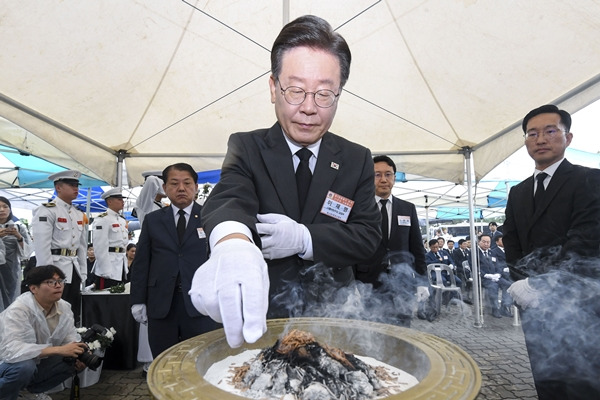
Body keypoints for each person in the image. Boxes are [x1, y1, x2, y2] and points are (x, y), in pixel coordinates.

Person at [189, 15, 381, 348]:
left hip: (334, 316)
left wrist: (304, 238)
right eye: (295, 91)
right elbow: (230, 197)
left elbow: (367, 237)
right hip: (266, 317)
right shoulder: (248, 147)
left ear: (339, 94)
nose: (308, 108)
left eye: (324, 94)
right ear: (273, 88)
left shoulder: (356, 158)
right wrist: (231, 242)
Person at [504, 104, 600, 399]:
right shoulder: (518, 191)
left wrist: (540, 285)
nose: (540, 139)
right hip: (535, 310)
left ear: (567, 137)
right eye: (532, 133)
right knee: (546, 382)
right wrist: (522, 284)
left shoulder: (589, 179)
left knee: (583, 385)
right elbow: (513, 242)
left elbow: (585, 242)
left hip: (579, 307)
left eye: (550, 131)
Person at [130, 163, 220, 358]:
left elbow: (221, 260)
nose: (181, 188)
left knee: (201, 361)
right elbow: (141, 263)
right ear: (165, 188)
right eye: (174, 183)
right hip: (162, 305)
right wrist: (138, 301)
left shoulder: (210, 217)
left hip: (200, 304)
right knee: (163, 362)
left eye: (187, 183)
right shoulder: (153, 220)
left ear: (196, 187)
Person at [355, 155, 429, 326]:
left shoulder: (407, 208)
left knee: (402, 332)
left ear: (394, 178)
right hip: (368, 284)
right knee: (371, 335)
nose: (383, 180)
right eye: (377, 174)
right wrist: (352, 284)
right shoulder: (359, 208)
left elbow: (417, 248)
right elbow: (351, 247)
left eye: (388, 174)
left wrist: (422, 282)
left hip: (401, 285)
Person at [0, 265, 87, 400]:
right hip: (6, 362)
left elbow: (70, 337)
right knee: (24, 367)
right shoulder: (19, 310)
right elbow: (13, 349)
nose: (58, 286)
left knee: (71, 360)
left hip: (36, 361)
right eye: (51, 282)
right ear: (33, 288)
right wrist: (59, 350)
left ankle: (29, 393)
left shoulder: (64, 307)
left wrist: (79, 353)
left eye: (60, 281)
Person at [32, 170, 87, 324]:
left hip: (73, 269)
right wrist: (47, 276)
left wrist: (83, 272)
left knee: (72, 313)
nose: (76, 188)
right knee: (53, 315)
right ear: (58, 188)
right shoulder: (47, 210)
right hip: (55, 268)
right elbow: (42, 246)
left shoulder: (77, 213)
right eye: (71, 185)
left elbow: (81, 247)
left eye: (77, 185)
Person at [91, 188, 129, 290]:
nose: (122, 202)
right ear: (110, 201)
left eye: (122, 199)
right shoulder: (103, 219)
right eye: (119, 199)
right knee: (106, 298)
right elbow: (99, 246)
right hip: (109, 265)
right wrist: (105, 270)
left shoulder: (121, 220)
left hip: (120, 264)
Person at [0, 196, 33, 312]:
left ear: (10, 209)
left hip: (11, 269)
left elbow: (28, 252)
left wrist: (18, 237)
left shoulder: (19, 227)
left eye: (5, 206)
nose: (2, 210)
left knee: (11, 300)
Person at [477, 234, 512, 318]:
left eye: (488, 242)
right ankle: (495, 309)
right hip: (483, 277)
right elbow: (474, 267)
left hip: (495, 276)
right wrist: (486, 275)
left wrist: (498, 274)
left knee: (508, 285)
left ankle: (504, 307)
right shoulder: (475, 253)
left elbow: (498, 265)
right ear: (479, 242)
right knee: (493, 286)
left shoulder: (491, 252)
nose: (486, 244)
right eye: (484, 242)